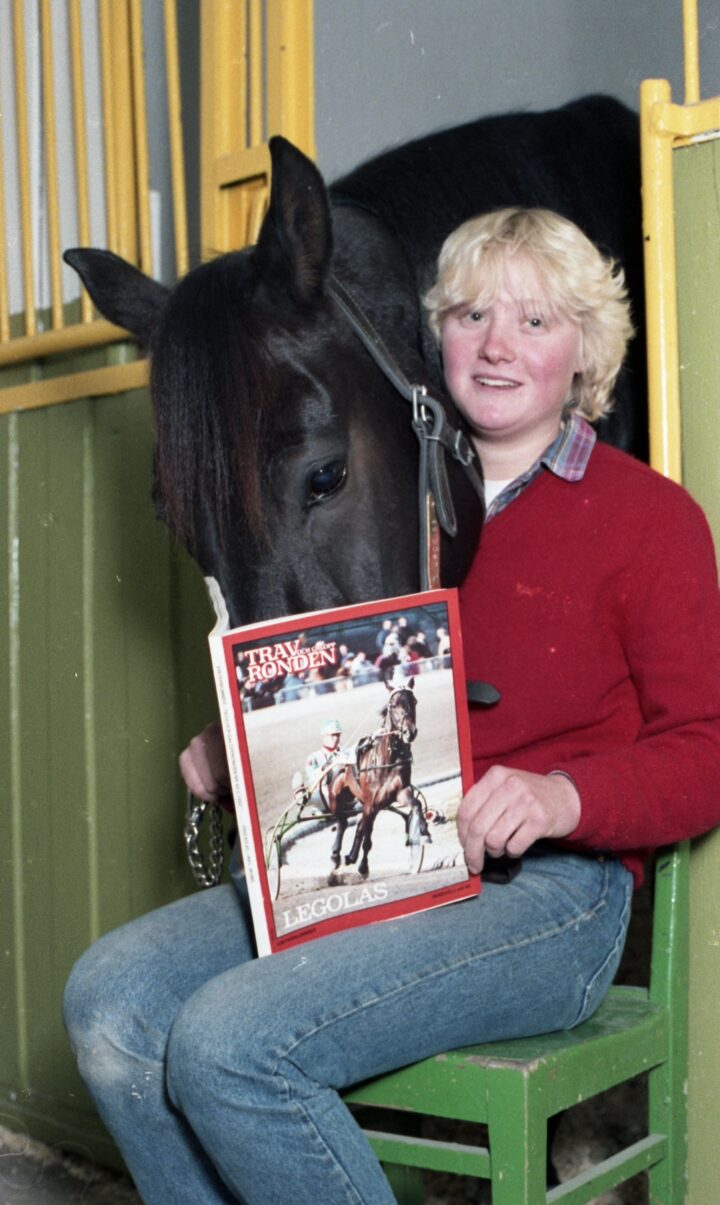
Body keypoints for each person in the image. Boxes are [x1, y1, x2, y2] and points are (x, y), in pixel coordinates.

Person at [63, 207, 720, 1205]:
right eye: (469, 314)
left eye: (537, 321)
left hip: (550, 897)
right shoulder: (386, 492)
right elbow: (359, 698)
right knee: (109, 1000)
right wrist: (241, 739)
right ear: (432, 334)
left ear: (587, 350)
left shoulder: (648, 517)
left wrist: (558, 798)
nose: (497, 344)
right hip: (373, 869)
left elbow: (705, 751)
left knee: (227, 1047)